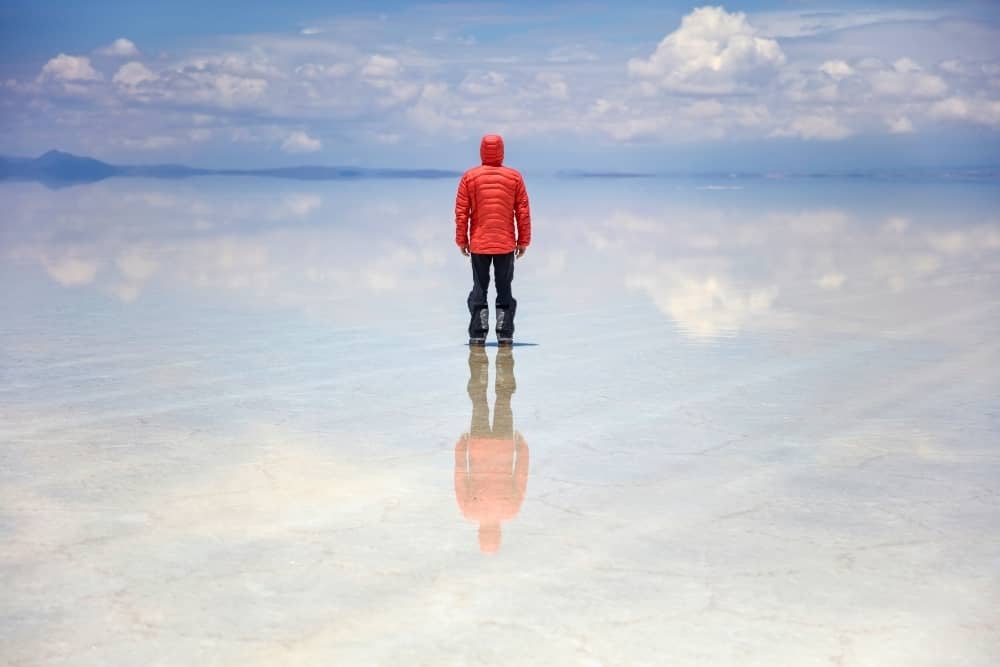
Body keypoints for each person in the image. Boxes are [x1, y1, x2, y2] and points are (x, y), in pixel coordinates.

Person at [455, 134, 531, 346]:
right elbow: (522, 212)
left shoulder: (470, 177)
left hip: (479, 244)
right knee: (504, 287)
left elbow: (462, 212)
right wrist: (523, 240)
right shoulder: (514, 177)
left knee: (480, 288)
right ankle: (505, 334)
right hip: (505, 244)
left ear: (481, 151)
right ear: (502, 151)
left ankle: (478, 334)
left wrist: (462, 240)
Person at [454, 346, 529, 553]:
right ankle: (481, 362)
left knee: (504, 398)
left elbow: (521, 475)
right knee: (479, 401)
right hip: (478, 444)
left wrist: (522, 450)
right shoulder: (469, 512)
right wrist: (460, 450)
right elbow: (460, 477)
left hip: (504, 444)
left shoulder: (511, 511)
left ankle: (500, 360)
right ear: (481, 534)